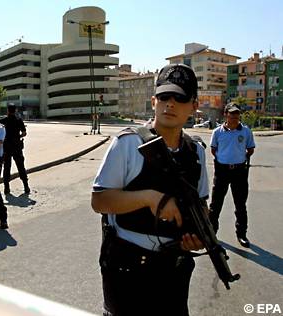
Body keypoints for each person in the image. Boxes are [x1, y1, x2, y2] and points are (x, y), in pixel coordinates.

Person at [91, 64, 209, 316]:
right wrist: (149, 198)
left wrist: (197, 235)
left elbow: (201, 204)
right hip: (128, 268)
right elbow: (99, 201)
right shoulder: (128, 143)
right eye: (165, 97)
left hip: (174, 269)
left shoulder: (195, 152)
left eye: (180, 98)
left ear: (193, 106)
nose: (171, 104)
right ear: (154, 101)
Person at [209, 103, 255, 248]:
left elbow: (250, 149)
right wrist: (225, 160)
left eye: (237, 114)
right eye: (232, 114)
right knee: (215, 205)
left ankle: (241, 234)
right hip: (222, 171)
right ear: (226, 115)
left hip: (239, 172)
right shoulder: (217, 132)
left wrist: (238, 158)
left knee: (240, 205)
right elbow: (213, 149)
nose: (234, 117)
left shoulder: (246, 131)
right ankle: (211, 234)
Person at [0, 103, 30, 194]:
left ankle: (6, 188)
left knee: (7, 168)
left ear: (8, 111)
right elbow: (24, 133)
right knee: (21, 167)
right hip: (17, 147)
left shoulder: (3, 120)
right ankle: (26, 186)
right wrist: (18, 136)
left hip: (6, 147)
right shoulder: (19, 120)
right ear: (15, 110)